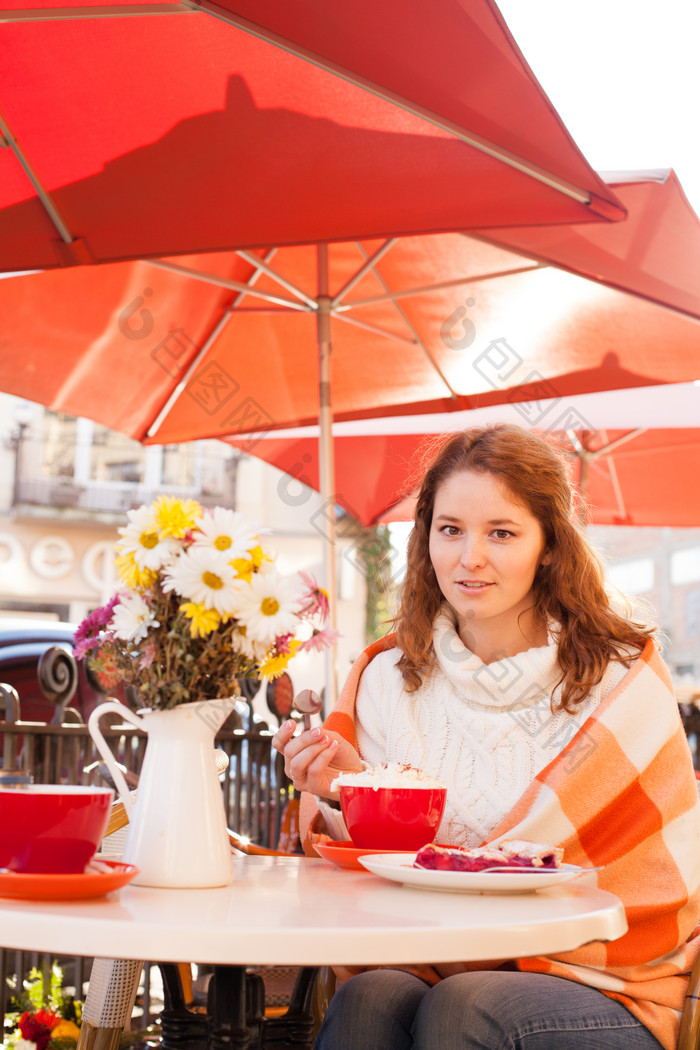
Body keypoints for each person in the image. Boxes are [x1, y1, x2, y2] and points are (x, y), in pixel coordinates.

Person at [272, 424, 700, 1050]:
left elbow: (655, 874)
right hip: (428, 957)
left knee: (465, 1006)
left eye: (501, 532)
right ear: (426, 540)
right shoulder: (387, 676)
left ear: (549, 545)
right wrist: (346, 789)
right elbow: (368, 873)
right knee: (370, 997)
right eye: (450, 530)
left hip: (602, 975)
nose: (469, 557)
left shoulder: (619, 677)